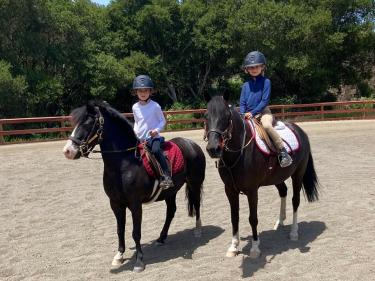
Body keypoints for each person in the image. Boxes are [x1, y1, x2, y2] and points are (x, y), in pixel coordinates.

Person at [240, 51, 293, 168]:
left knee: (267, 126)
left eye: (256, 66)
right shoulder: (245, 85)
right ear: (247, 69)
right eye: (251, 67)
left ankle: (282, 151)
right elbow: (242, 102)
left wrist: (252, 113)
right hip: (247, 114)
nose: (254, 69)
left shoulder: (266, 82)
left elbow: (264, 101)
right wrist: (243, 113)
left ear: (262, 67)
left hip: (263, 112)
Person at [132, 74, 174, 188]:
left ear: (150, 91)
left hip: (153, 138)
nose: (143, 93)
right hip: (140, 138)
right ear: (136, 92)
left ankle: (166, 176)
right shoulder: (135, 107)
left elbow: (163, 121)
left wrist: (156, 130)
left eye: (145, 90)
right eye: (140, 90)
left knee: (155, 150)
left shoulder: (155, 106)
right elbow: (137, 122)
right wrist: (135, 131)